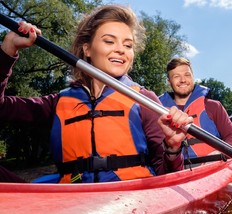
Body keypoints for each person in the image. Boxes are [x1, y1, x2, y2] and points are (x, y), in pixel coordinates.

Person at [0, 5, 193, 183]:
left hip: (130, 199)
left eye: (128, 45)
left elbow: (166, 175)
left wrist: (173, 149)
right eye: (109, 41)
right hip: (73, 198)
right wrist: (8, 50)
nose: (120, 49)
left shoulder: (144, 100)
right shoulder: (59, 101)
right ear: (87, 49)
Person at [159, 57, 232, 159]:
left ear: (193, 77)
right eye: (176, 76)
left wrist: (220, 155)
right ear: (168, 81)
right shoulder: (159, 112)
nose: (183, 80)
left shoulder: (213, 106)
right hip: (178, 169)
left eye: (187, 75)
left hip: (214, 165)